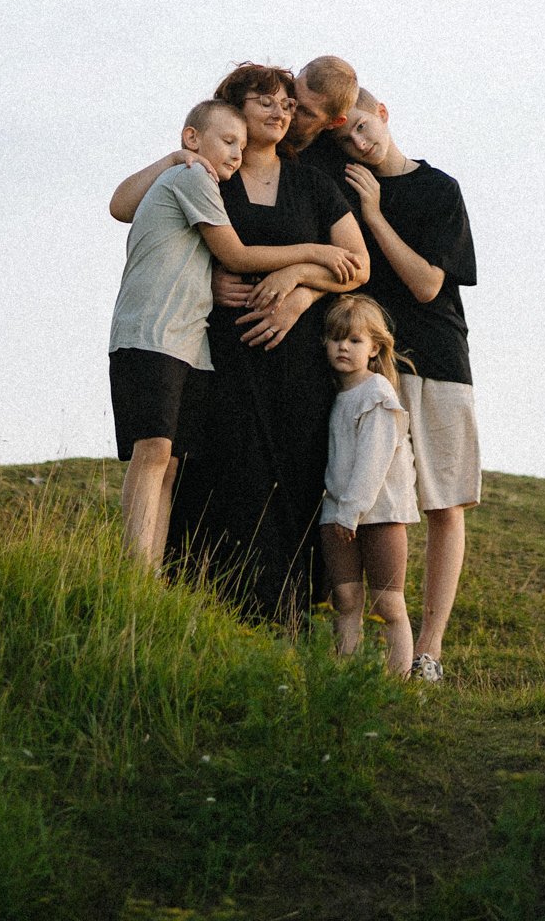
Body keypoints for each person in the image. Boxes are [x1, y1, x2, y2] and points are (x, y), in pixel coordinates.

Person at [110, 63, 370, 621]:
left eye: (288, 106)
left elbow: (357, 266)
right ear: (234, 111)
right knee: (215, 473)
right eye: (266, 103)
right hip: (216, 350)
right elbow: (136, 214)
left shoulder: (313, 184)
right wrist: (179, 157)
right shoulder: (208, 174)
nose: (281, 113)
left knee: (293, 474)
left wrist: (298, 284)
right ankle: (200, 610)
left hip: (297, 356)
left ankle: (286, 619)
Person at [340, 89, 479, 683]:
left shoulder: (438, 189)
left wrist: (375, 215)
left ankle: (429, 652)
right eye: (346, 138)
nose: (360, 143)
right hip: (372, 367)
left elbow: (427, 285)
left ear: (385, 114)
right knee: (373, 500)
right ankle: (365, 642)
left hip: (438, 361)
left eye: (364, 127)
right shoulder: (343, 185)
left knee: (444, 503)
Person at [320, 294, 418, 677]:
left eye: (355, 340)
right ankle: (347, 678)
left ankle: (400, 682)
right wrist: (338, 513)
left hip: (380, 512)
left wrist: (351, 510)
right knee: (345, 598)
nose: (343, 346)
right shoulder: (335, 394)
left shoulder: (376, 393)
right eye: (336, 338)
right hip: (337, 513)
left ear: (375, 347)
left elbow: (372, 462)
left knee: (388, 602)